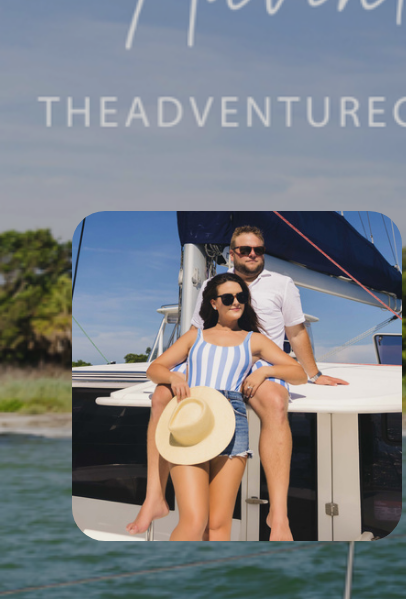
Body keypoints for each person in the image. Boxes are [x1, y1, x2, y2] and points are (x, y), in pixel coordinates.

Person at [127, 225, 349, 540]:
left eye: (258, 249)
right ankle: (154, 496)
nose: (252, 254)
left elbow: (296, 332)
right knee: (161, 397)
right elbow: (191, 335)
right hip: (213, 361)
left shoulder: (280, 287)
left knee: (275, 402)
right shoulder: (211, 289)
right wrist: (177, 372)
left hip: (262, 363)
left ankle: (278, 514)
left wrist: (311, 374)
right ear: (232, 254)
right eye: (245, 250)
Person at [145, 273, 306, 540]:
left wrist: (264, 372)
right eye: (228, 298)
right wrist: (173, 377)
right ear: (214, 303)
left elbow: (298, 373)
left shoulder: (254, 340)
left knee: (219, 526)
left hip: (232, 422)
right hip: (192, 423)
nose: (236, 302)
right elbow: (154, 369)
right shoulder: (194, 336)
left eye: (241, 297)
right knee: (194, 521)